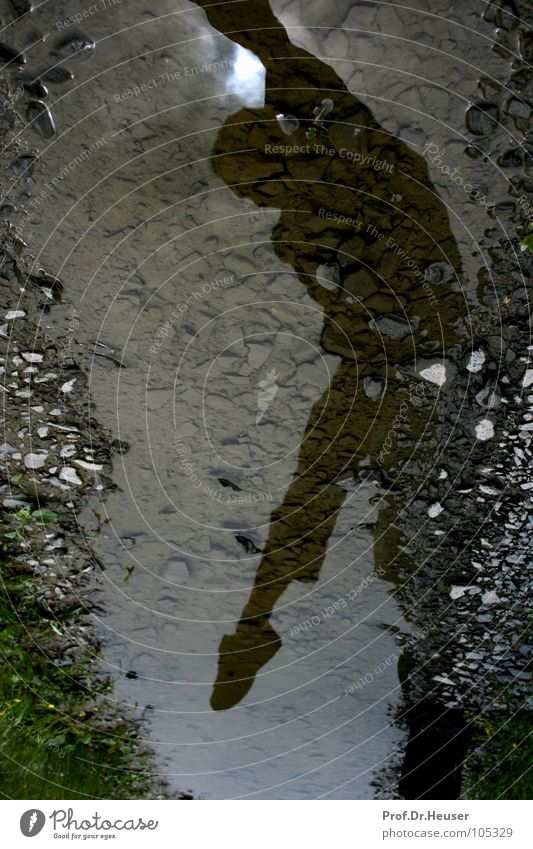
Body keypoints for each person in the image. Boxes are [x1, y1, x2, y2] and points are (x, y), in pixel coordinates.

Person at [190, 0, 467, 710]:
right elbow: (271, 48)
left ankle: (425, 653)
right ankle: (261, 620)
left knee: (392, 508)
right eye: (251, 194)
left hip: (434, 353)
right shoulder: (303, 211)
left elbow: (272, 45)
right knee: (314, 484)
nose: (259, 201)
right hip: (372, 366)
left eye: (257, 186)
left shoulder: (348, 143)